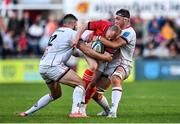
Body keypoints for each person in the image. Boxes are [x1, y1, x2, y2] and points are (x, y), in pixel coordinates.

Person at [18, 14, 112, 118]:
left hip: (43, 66)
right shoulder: (72, 33)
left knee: (56, 94)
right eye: (76, 24)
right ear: (73, 24)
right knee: (81, 84)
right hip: (53, 66)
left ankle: (27, 112)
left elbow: (75, 52)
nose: (77, 27)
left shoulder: (57, 32)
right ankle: (75, 112)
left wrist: (86, 53)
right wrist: (104, 57)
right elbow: (85, 49)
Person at [73, 9, 136, 118]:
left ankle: (113, 112)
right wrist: (92, 35)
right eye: (115, 18)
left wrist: (97, 38)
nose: (115, 20)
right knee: (95, 92)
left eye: (118, 18)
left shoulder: (129, 32)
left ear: (126, 20)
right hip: (109, 64)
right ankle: (107, 110)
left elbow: (114, 45)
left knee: (116, 78)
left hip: (123, 64)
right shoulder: (110, 27)